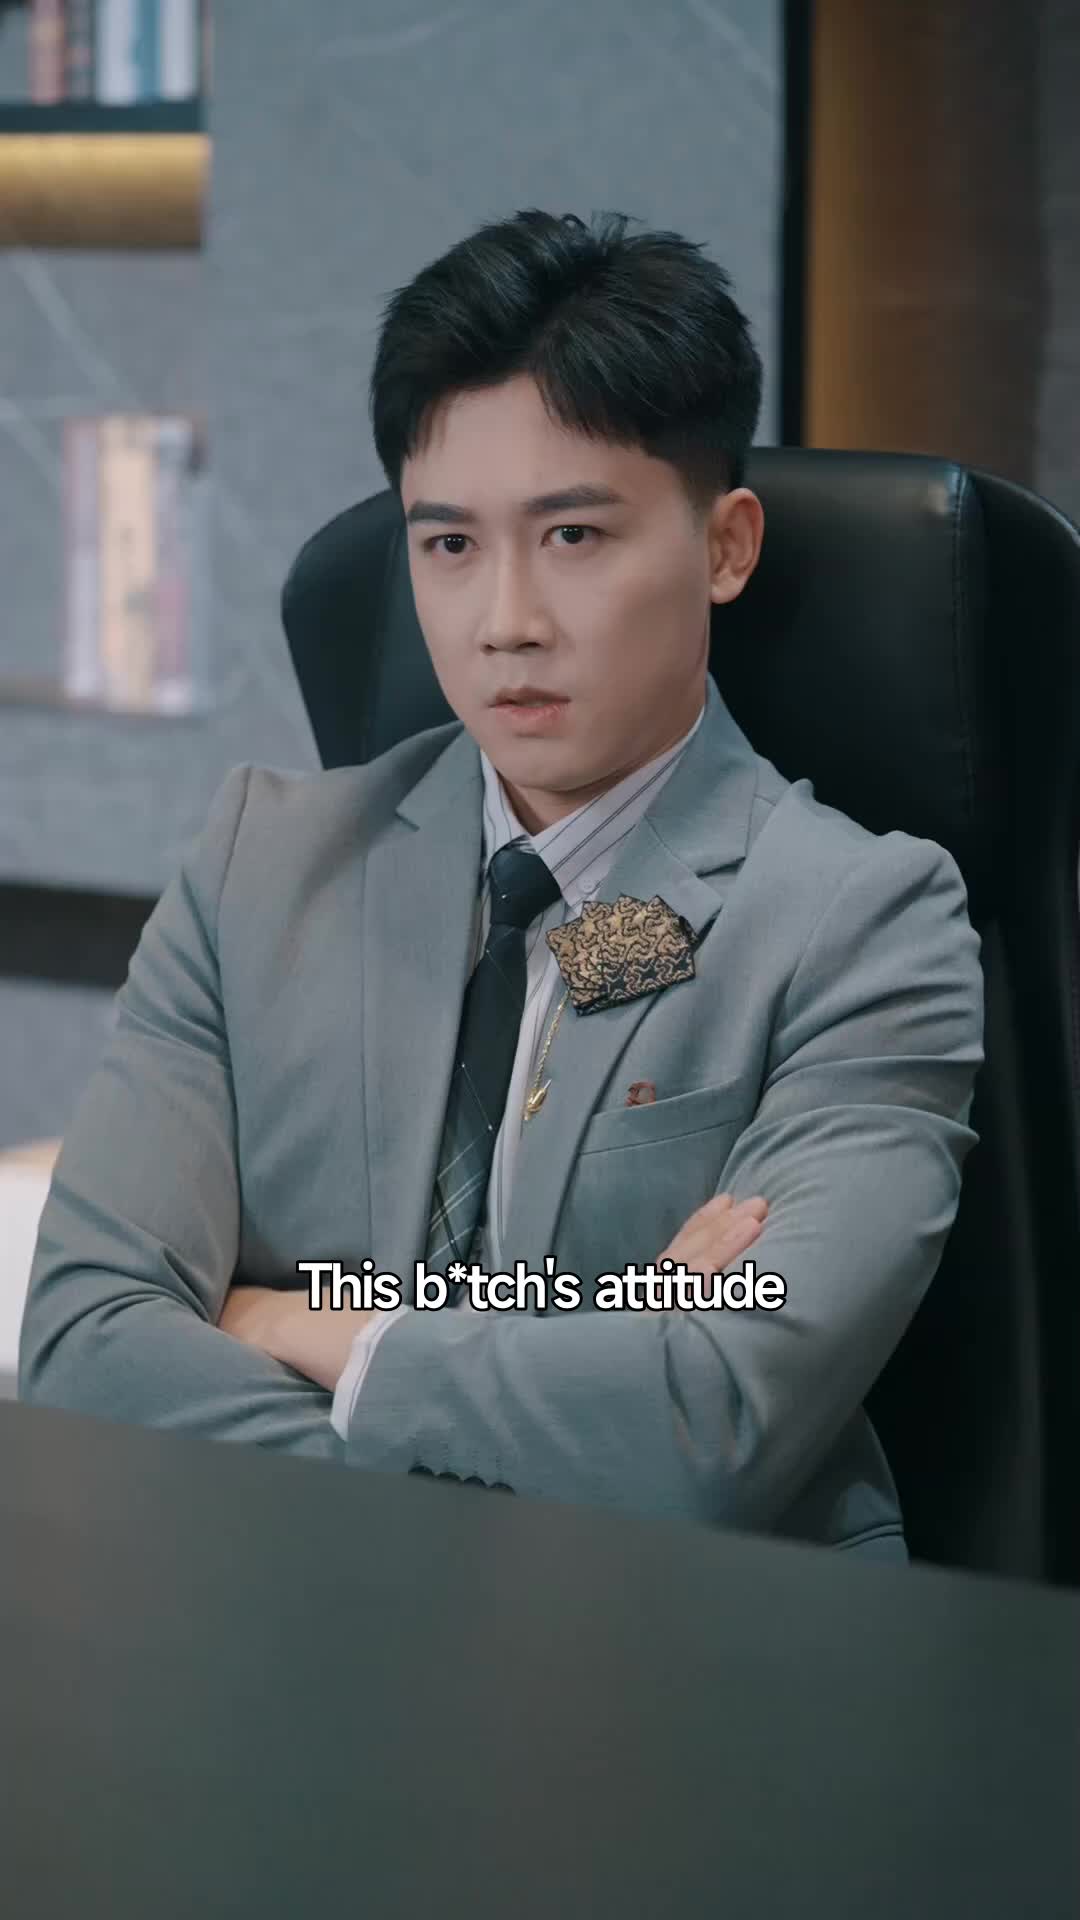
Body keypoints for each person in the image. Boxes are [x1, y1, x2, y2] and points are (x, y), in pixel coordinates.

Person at [18, 209, 984, 1557]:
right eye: (450, 545)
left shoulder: (862, 921)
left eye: (573, 536)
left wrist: (304, 1326)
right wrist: (596, 1353)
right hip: (283, 1618)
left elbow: (708, 1426)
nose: (505, 622)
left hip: (697, 1641)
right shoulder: (264, 867)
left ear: (725, 546)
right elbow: (84, 1343)